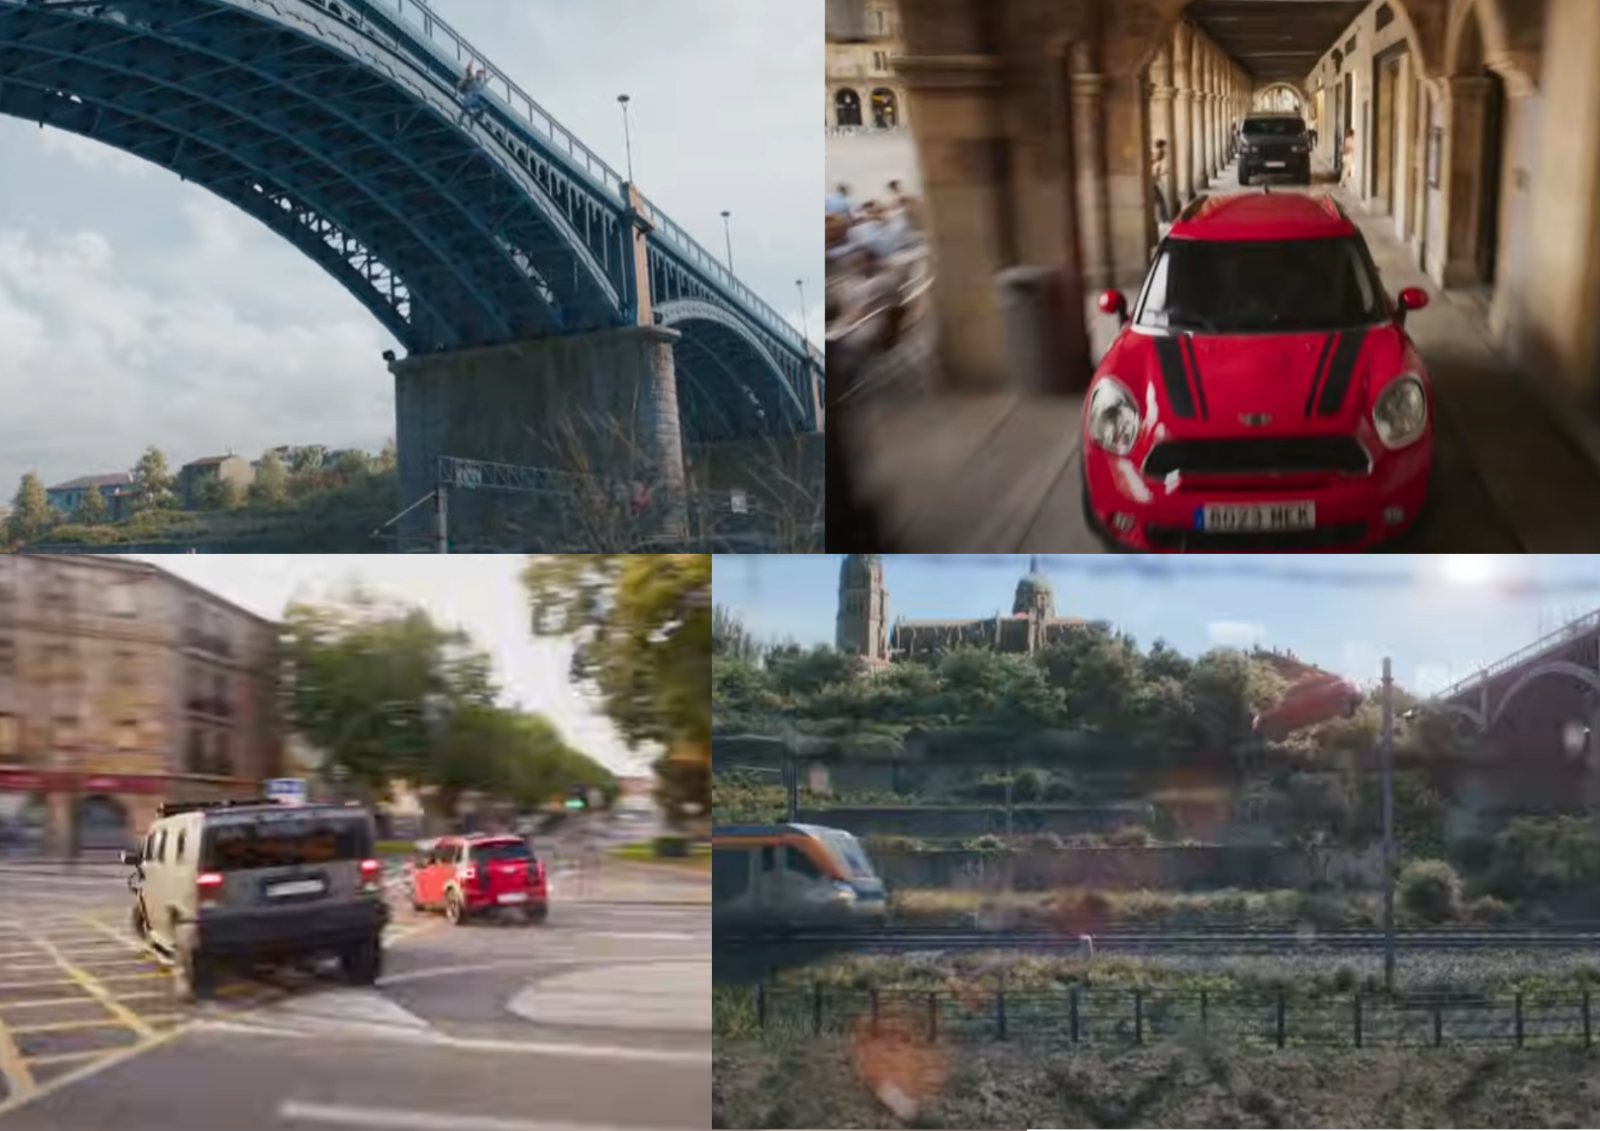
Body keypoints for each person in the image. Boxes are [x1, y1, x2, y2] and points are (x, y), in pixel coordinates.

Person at [1151, 139, 1170, 225]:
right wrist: (1164, 173)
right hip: (1152, 184)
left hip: (1153, 183)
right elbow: (1154, 175)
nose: (1164, 152)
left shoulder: (1155, 162)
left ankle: (1162, 219)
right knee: (1159, 202)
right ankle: (1162, 219)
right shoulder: (1155, 162)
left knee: (1159, 202)